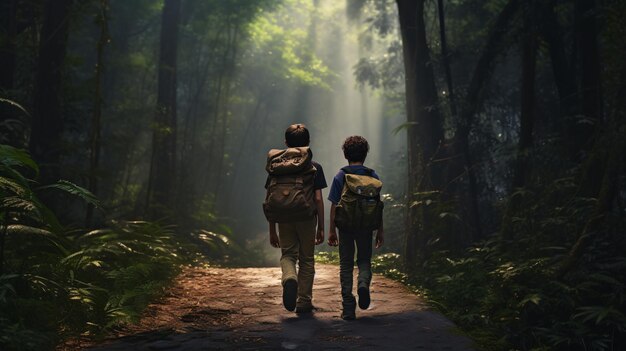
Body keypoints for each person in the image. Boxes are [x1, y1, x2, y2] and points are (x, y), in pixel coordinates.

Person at [265, 124, 327, 313]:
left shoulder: (276, 167)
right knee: (307, 260)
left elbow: (271, 198)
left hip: (283, 218)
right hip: (306, 217)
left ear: (286, 143)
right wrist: (321, 227)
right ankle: (304, 302)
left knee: (288, 255)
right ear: (307, 143)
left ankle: (289, 277)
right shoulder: (313, 167)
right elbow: (317, 199)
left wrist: (272, 229)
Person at [327, 135, 384, 320]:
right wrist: (380, 230)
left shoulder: (341, 175)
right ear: (365, 154)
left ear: (345, 154)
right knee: (365, 260)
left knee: (345, 264)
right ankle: (363, 284)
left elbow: (334, 205)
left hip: (345, 227)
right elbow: (377, 206)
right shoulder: (372, 176)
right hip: (366, 227)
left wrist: (331, 230)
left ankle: (348, 307)